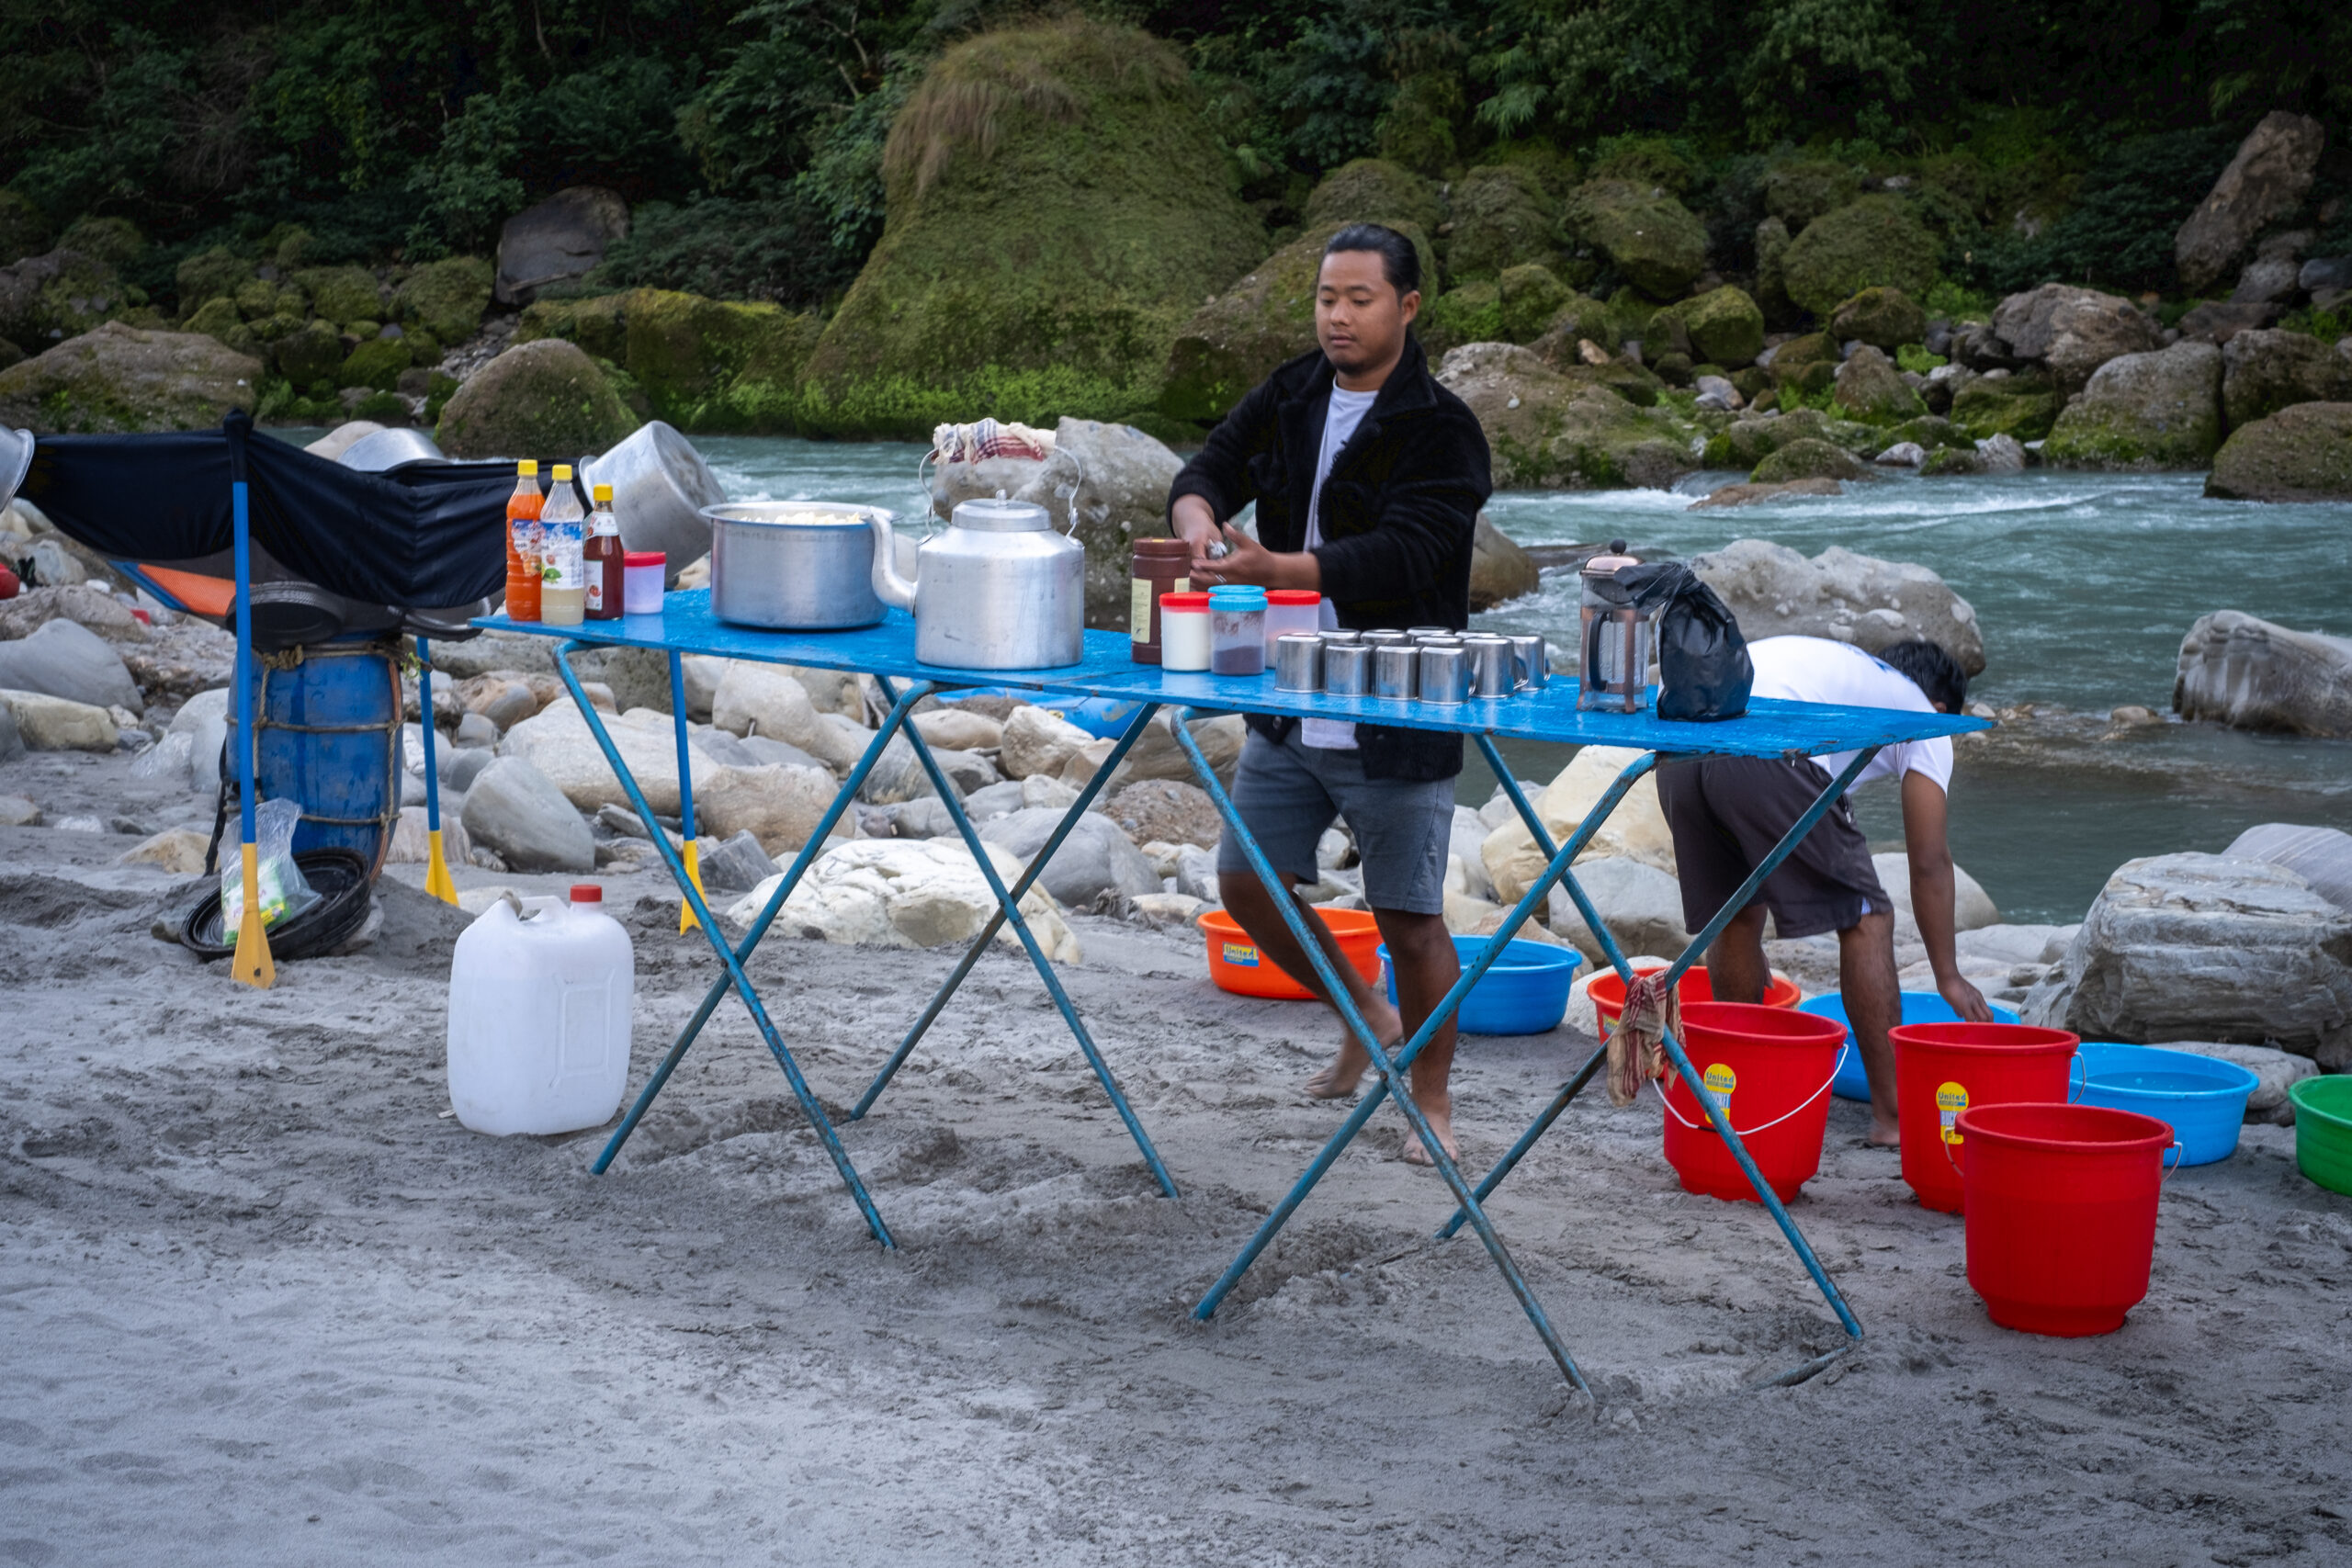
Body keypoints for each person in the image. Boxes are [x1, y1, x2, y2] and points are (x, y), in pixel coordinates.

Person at [1166, 222, 1493, 1167]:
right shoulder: (1293, 390)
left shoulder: (1441, 427)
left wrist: (1280, 567)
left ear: (1407, 307)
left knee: (1410, 919)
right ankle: (1363, 1013)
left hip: (1397, 700)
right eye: (1325, 298)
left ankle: (1431, 1100)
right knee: (1246, 880)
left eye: (1358, 299)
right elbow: (1209, 466)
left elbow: (1408, 551)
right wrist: (1196, 519)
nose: (1337, 317)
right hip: (1288, 687)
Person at [1655, 635, 1992, 1146]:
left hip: (1678, 745)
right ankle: (1893, 1118)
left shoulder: (1849, 672)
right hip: (1767, 745)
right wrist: (1948, 976)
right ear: (1942, 709)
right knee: (1867, 917)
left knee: (1738, 914)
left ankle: (1737, 1094)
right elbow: (1929, 862)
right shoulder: (1926, 714)